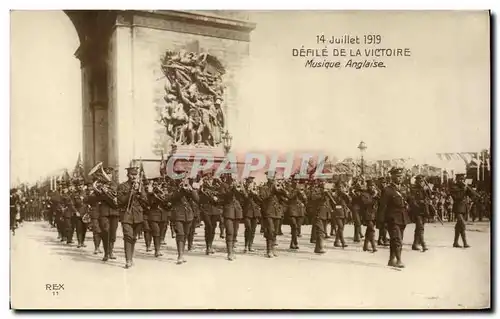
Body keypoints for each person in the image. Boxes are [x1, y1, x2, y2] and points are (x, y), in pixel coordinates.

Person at [377, 167, 411, 268]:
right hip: (392, 219)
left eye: (401, 176)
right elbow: (382, 206)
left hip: (402, 218)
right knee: (397, 240)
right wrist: (380, 221)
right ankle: (399, 260)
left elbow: (408, 201)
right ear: (392, 177)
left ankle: (391, 260)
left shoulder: (403, 189)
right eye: (397, 176)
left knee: (395, 240)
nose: (400, 178)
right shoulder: (387, 190)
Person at [117, 165, 149, 269]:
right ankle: (128, 260)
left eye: (135, 175)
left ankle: (130, 257)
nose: (134, 177)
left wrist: (140, 195)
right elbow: (120, 201)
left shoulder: (140, 186)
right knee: (128, 236)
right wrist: (131, 192)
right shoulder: (122, 186)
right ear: (128, 175)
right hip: (126, 215)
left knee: (133, 238)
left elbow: (145, 202)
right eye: (132, 174)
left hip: (138, 215)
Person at [218, 173, 244, 261]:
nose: (233, 178)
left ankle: (232, 249)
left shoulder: (238, 185)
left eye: (234, 177)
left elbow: (245, 197)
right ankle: (229, 253)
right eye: (232, 177)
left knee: (235, 233)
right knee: (229, 232)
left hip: (237, 211)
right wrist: (232, 189)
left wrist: (242, 189)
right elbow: (224, 197)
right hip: (228, 211)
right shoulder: (223, 185)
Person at [260, 171, 284, 257]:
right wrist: (272, 189)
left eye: (273, 176)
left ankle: (273, 249)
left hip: (277, 211)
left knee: (275, 231)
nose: (273, 178)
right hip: (268, 211)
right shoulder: (264, 187)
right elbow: (263, 197)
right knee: (270, 230)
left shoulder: (278, 187)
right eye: (271, 176)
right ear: (267, 177)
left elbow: (286, 197)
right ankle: (269, 250)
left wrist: (282, 189)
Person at [450, 175, 477, 248]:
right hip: (457, 209)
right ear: (457, 180)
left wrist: (468, 188)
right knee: (462, 224)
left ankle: (455, 243)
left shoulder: (464, 187)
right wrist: (464, 189)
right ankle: (465, 243)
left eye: (463, 179)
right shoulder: (453, 187)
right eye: (460, 179)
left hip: (464, 209)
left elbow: (473, 194)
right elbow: (457, 197)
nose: (462, 181)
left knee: (458, 226)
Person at [284, 175, 306, 250]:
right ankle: (294, 242)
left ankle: (293, 243)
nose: (296, 182)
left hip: (300, 210)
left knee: (297, 227)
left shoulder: (301, 188)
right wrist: (296, 191)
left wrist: (302, 194)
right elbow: (289, 197)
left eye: (298, 180)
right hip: (292, 210)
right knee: (294, 226)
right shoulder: (289, 188)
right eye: (295, 180)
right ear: (292, 181)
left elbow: (306, 200)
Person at [409, 175, 431, 252]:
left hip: (424, 210)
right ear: (417, 181)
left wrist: (428, 190)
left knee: (419, 228)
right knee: (420, 227)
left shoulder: (425, 189)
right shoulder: (413, 188)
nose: (421, 183)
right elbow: (412, 200)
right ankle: (423, 245)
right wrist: (420, 202)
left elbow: (430, 197)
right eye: (420, 181)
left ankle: (415, 244)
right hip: (417, 210)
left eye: (422, 181)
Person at [242, 176, 262, 252]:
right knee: (248, 228)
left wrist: (255, 194)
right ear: (246, 183)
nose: (250, 184)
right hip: (247, 211)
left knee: (253, 229)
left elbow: (260, 200)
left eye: (251, 182)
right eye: (249, 182)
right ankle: (246, 246)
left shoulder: (256, 190)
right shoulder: (243, 189)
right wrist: (248, 192)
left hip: (255, 211)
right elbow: (244, 198)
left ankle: (250, 246)